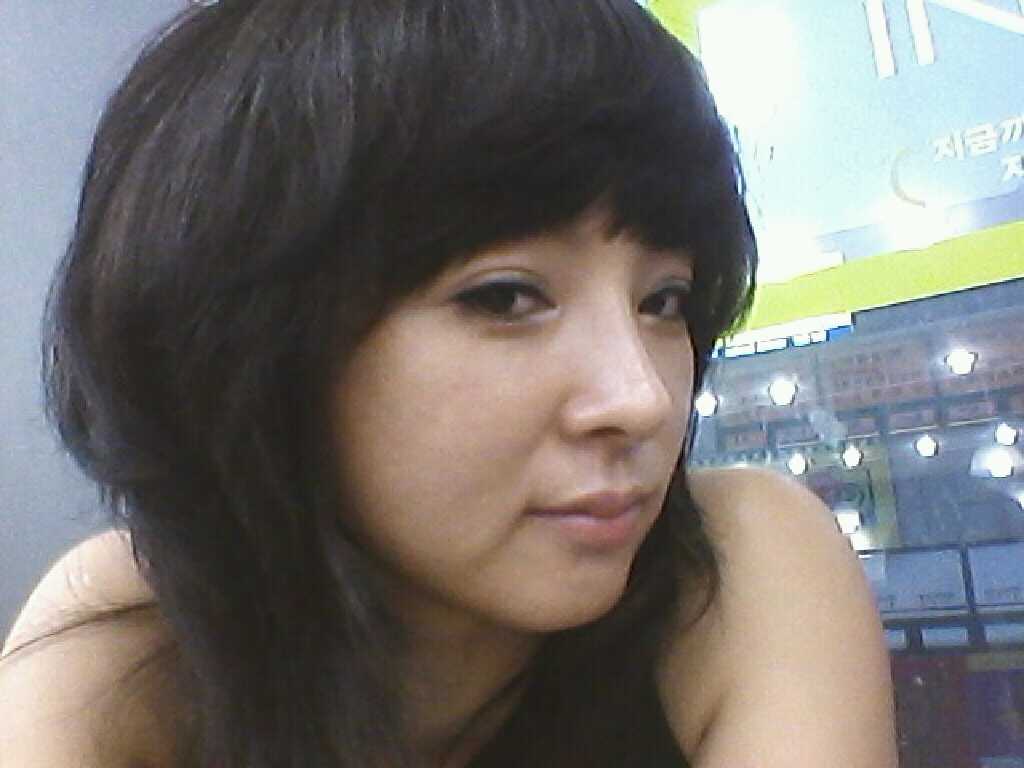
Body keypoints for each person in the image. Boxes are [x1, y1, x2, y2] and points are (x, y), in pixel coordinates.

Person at [0, 1, 898, 766]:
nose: (643, 398)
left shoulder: (738, 565)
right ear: (258, 341)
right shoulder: (132, 634)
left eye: (663, 301)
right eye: (506, 297)